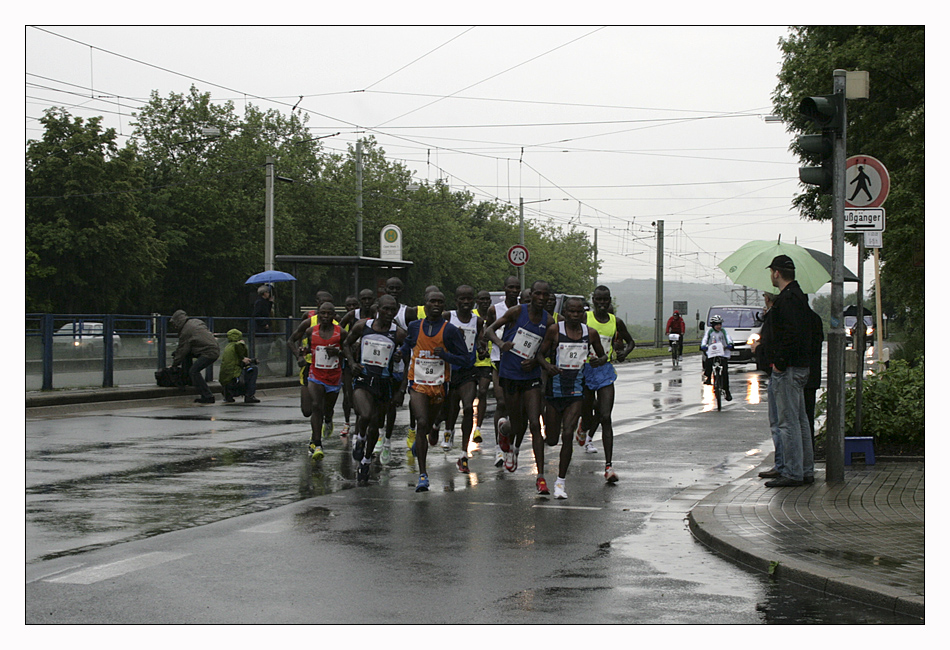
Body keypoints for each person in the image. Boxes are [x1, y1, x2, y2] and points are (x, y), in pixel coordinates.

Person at [537, 296, 608, 499]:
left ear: (583, 314)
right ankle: (541, 470)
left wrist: (597, 361)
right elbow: (539, 354)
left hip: (576, 391)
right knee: (551, 439)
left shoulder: (590, 333)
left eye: (579, 312)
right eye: (571, 312)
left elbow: (603, 356)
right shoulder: (554, 331)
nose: (575, 315)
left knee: (568, 434)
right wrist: (547, 366)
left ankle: (560, 483)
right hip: (554, 391)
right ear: (565, 313)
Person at [400, 291, 470, 491]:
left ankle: (421, 441)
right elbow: (407, 346)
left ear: (444, 305)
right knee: (421, 422)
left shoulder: (450, 331)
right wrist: (399, 353)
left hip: (439, 385)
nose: (436, 304)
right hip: (417, 382)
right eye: (433, 301)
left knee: (429, 425)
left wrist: (447, 356)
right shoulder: (415, 327)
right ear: (426, 304)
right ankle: (423, 475)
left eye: (440, 301)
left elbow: (465, 359)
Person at [485, 280, 554, 483]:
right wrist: (501, 343)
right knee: (517, 423)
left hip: (531, 377)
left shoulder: (548, 322)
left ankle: (540, 477)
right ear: (531, 294)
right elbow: (489, 331)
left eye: (545, 295)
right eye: (538, 294)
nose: (542, 298)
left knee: (534, 423)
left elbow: (547, 350)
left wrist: (535, 361)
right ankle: (504, 431)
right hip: (510, 374)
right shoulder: (516, 312)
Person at [760, 255, 815, 488]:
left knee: (787, 422)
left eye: (771, 272)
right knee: (800, 420)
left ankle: (792, 472)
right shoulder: (799, 296)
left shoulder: (788, 299)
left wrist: (780, 362)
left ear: (776, 273)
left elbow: (791, 335)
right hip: (799, 366)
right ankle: (804, 468)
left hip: (789, 369)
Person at [343, 294, 407, 486]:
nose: (389, 313)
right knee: (366, 414)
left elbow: (409, 358)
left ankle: (366, 460)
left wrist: (401, 389)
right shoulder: (363, 326)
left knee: (376, 425)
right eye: (385, 309)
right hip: (363, 378)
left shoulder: (399, 333)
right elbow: (346, 343)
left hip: (384, 382)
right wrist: (352, 362)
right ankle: (359, 436)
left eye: (393, 310)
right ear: (378, 308)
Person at [578, 285, 635, 480]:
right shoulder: (586, 319)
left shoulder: (615, 322)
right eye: (599, 300)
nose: (602, 303)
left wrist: (623, 353)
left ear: (610, 301)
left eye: (606, 300)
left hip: (605, 372)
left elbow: (631, 342)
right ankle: (584, 426)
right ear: (593, 300)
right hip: (585, 370)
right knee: (587, 412)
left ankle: (609, 467)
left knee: (605, 416)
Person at [441, 285, 485, 471]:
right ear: (456, 300)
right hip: (449, 369)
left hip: (468, 370)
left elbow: (480, 340)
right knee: (450, 408)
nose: (466, 302)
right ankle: (448, 430)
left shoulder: (477, 321)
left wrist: (481, 349)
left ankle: (463, 453)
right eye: (462, 299)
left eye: (469, 298)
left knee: (468, 408)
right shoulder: (447, 317)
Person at [482, 275, 522, 468]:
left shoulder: (524, 310)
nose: (514, 291)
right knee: (501, 402)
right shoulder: (494, 309)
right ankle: (499, 448)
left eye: (517, 288)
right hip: (499, 360)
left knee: (517, 408)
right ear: (504, 288)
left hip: (518, 363)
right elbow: (487, 330)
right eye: (511, 287)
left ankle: (510, 442)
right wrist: (492, 345)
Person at [297, 302, 344, 461]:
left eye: (328, 314)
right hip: (315, 375)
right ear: (318, 314)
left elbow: (352, 351)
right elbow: (299, 343)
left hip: (333, 376)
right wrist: (301, 354)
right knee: (316, 405)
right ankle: (317, 444)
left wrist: (339, 352)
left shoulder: (340, 332)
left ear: (334, 316)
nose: (325, 317)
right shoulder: (311, 331)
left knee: (327, 409)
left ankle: (329, 419)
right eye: (322, 313)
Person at [169, 309, 220, 404]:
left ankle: (208, 396)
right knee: (187, 356)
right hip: (213, 349)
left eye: (174, 323)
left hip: (208, 353)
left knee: (194, 371)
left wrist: (174, 365)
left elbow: (182, 350)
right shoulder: (196, 322)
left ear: (178, 321)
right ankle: (188, 379)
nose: (174, 326)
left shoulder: (185, 331)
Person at [471, 290, 495, 444]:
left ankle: (477, 428)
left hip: (488, 361)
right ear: (477, 301)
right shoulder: (472, 314)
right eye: (482, 299)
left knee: (483, 391)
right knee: (470, 395)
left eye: (488, 299)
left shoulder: (494, 316)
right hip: (471, 360)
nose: (485, 302)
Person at [219, 328, 260, 404]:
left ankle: (228, 395)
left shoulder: (228, 347)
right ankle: (249, 396)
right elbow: (244, 359)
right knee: (253, 369)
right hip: (235, 379)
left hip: (225, 380)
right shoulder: (238, 345)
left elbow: (236, 360)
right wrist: (243, 345)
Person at [700, 314, 735, 401]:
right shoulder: (709, 332)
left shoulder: (723, 332)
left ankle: (727, 391)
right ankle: (708, 377)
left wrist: (730, 344)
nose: (719, 326)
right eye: (717, 325)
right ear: (713, 325)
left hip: (723, 353)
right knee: (708, 363)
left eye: (720, 324)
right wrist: (703, 346)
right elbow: (705, 339)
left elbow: (728, 338)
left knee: (725, 372)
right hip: (712, 352)